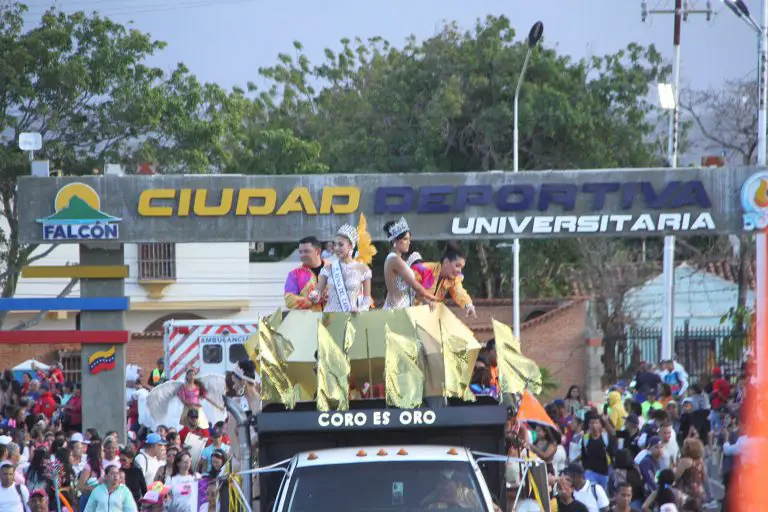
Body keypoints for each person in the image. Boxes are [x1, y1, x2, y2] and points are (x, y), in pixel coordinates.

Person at [310, 223, 372, 312]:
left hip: (352, 316)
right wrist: (314, 294)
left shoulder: (363, 269)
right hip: (330, 317)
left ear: (350, 246)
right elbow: (318, 290)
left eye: (340, 245)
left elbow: (367, 298)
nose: (336, 248)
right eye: (334, 245)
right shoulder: (328, 268)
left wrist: (360, 309)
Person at [381, 217, 437, 309]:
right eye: (405, 239)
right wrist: (432, 297)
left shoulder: (398, 260)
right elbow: (416, 286)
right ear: (395, 241)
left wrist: (427, 301)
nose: (409, 242)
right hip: (395, 311)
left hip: (403, 309)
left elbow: (412, 290)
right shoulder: (394, 260)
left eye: (409, 239)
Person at [408, 243, 477, 318]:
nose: (459, 271)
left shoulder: (454, 279)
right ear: (446, 262)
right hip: (409, 312)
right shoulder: (424, 270)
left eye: (461, 267)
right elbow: (410, 289)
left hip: (428, 316)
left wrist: (469, 305)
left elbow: (459, 291)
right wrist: (426, 301)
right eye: (457, 266)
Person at [284, 236, 326, 311]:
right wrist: (311, 300)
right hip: (308, 321)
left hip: (333, 320)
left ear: (318, 251)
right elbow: (289, 300)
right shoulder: (294, 274)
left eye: (306, 251)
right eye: (301, 252)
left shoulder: (334, 269)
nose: (302, 255)